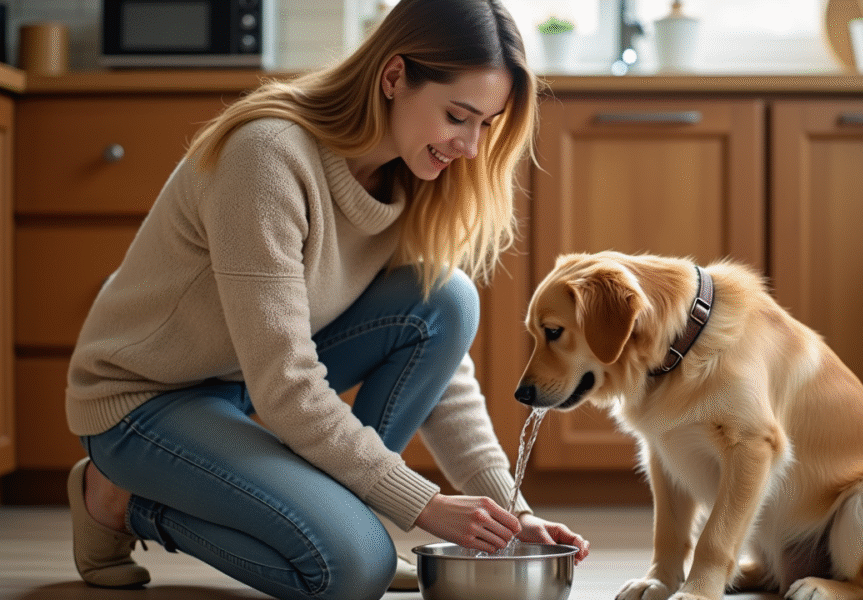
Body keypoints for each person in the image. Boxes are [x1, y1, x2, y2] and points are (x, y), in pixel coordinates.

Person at [64, 1, 590, 598]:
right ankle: (119, 499)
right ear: (393, 78)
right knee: (353, 569)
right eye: (457, 116)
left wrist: (513, 514)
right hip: (145, 399)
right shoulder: (267, 156)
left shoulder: (412, 176)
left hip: (244, 385)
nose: (470, 147)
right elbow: (286, 382)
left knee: (448, 300)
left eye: (485, 125)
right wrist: (423, 504)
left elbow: (438, 368)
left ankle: (339, 518)